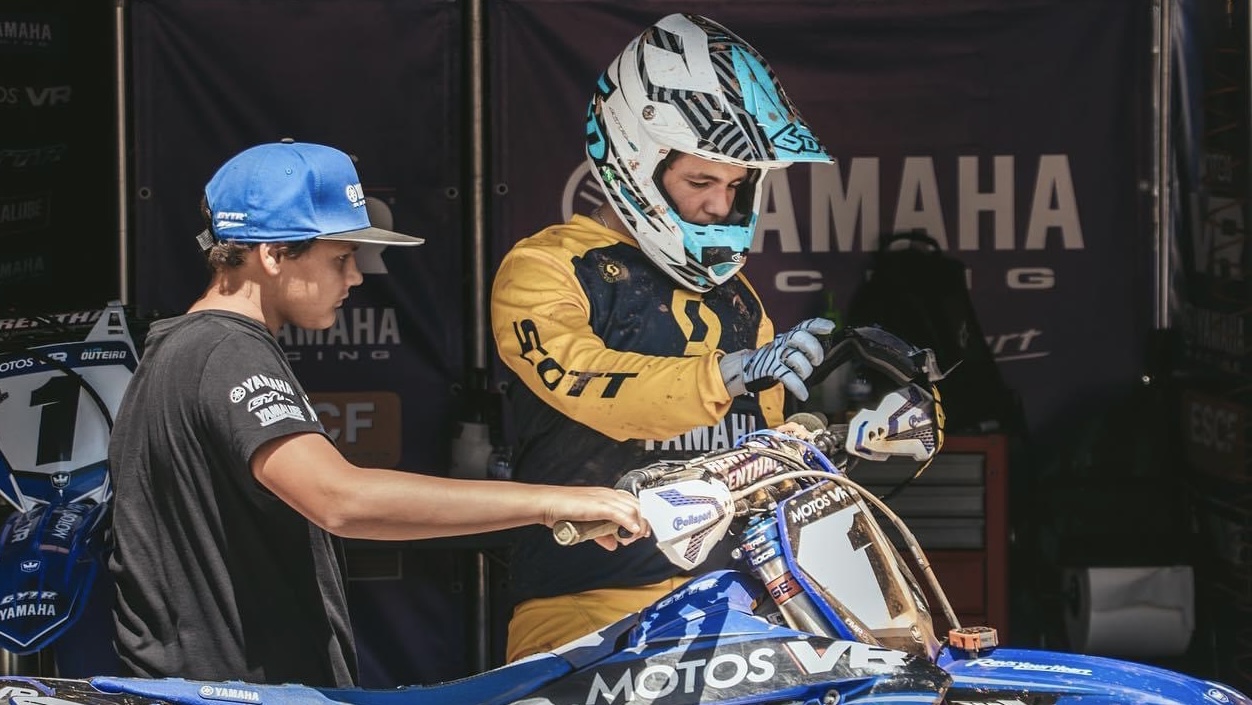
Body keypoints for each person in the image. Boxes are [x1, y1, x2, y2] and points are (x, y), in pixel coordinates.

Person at [106, 139, 648, 687]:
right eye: (340, 258)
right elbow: (341, 499)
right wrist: (552, 502)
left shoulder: (193, 348)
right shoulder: (226, 351)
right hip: (227, 696)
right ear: (271, 254)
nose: (356, 278)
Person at [490, 13, 837, 662]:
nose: (719, 206)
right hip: (586, 609)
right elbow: (584, 377)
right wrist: (724, 373)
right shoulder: (546, 266)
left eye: (735, 185)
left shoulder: (739, 294)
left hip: (737, 609)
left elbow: (769, 455)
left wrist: (849, 425)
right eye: (700, 181)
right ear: (633, 164)